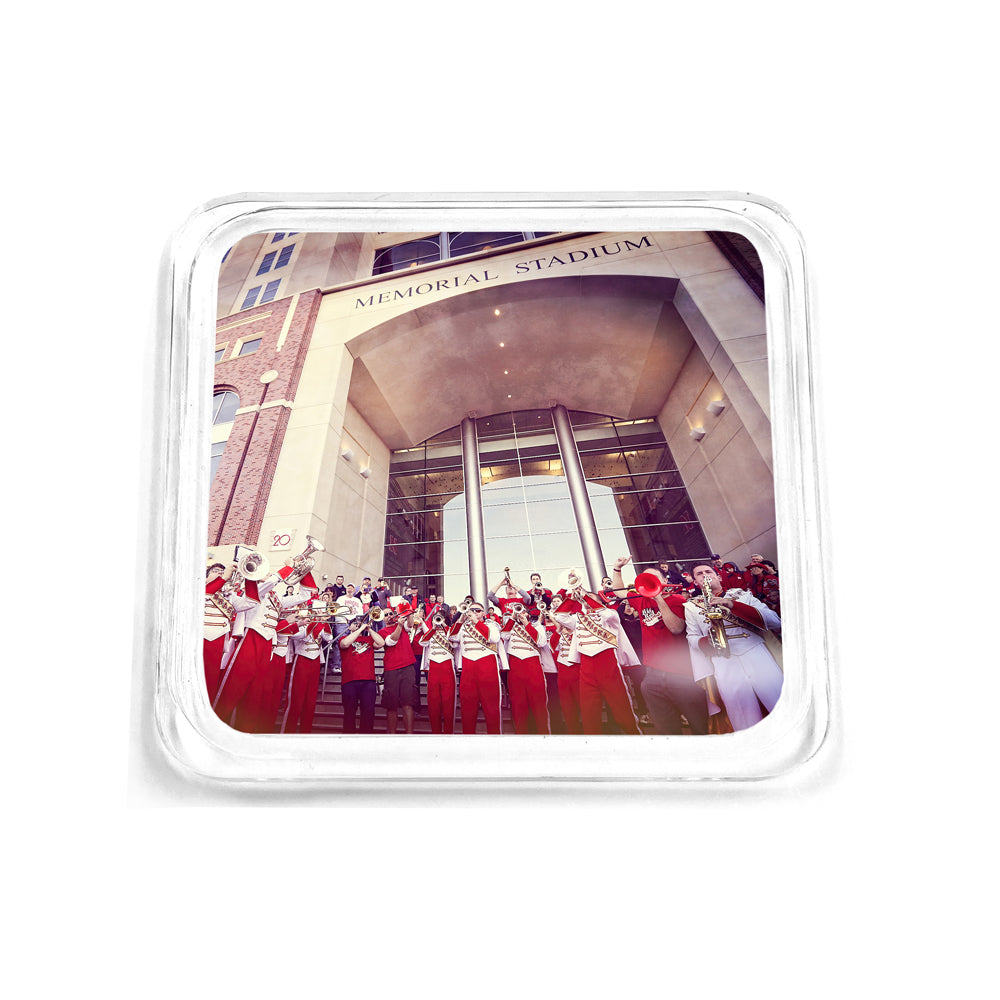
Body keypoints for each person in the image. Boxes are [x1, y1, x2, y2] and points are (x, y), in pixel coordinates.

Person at [611, 556, 708, 735]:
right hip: (652, 674)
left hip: (681, 674)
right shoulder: (641, 600)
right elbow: (619, 591)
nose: (649, 582)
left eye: (653, 579)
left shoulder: (677, 600)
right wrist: (617, 569)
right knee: (666, 730)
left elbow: (676, 628)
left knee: (699, 727)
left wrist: (658, 599)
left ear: (664, 581)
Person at [684, 563, 783, 732]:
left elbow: (774, 620)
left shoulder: (742, 596)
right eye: (699, 574)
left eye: (708, 571)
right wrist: (707, 642)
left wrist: (732, 605)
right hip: (723, 661)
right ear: (695, 582)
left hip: (755, 652)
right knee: (742, 717)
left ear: (719, 577)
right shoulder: (692, 606)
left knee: (779, 702)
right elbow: (691, 636)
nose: (705, 575)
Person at [554, 573, 642, 735]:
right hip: (586, 667)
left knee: (622, 707)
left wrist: (587, 598)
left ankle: (635, 735)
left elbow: (609, 615)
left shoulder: (609, 615)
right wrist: (573, 599)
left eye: (590, 599)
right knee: (589, 714)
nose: (586, 602)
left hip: (607, 664)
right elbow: (560, 616)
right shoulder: (578, 618)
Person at [450, 601, 506, 734]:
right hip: (468, 673)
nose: (475, 612)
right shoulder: (463, 627)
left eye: (478, 610)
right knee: (467, 713)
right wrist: (460, 621)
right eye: (472, 610)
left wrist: (476, 622)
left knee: (492, 712)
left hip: (488, 672)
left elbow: (494, 638)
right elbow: (452, 637)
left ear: (484, 613)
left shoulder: (492, 625)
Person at [501, 603, 551, 734]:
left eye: (523, 611)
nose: (521, 613)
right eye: (519, 611)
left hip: (533, 667)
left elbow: (541, 642)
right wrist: (512, 617)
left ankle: (544, 735)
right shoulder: (511, 626)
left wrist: (527, 624)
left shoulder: (537, 626)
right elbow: (504, 636)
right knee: (518, 708)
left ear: (528, 614)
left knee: (539, 707)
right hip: (515, 668)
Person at [378, 602, 419, 733]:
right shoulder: (382, 631)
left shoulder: (402, 626)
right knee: (392, 705)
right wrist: (400, 625)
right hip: (391, 669)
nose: (389, 616)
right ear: (382, 618)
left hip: (407, 667)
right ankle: (392, 735)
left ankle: (410, 735)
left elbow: (410, 624)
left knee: (408, 703)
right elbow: (391, 641)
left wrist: (408, 611)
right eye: (386, 615)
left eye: (391, 613)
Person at [339, 617, 385, 734]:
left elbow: (381, 643)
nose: (358, 625)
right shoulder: (344, 638)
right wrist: (359, 630)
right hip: (349, 681)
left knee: (368, 712)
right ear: (349, 627)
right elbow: (345, 644)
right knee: (349, 712)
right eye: (355, 623)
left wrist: (369, 629)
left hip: (368, 681)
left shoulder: (368, 639)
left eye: (360, 624)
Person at [418, 606, 458, 734]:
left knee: (448, 703)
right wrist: (433, 629)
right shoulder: (431, 632)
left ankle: (448, 733)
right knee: (433, 703)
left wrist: (445, 626)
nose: (438, 620)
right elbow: (422, 642)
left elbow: (455, 642)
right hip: (433, 667)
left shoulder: (451, 631)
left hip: (447, 667)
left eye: (441, 617)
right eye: (437, 618)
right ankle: (435, 732)